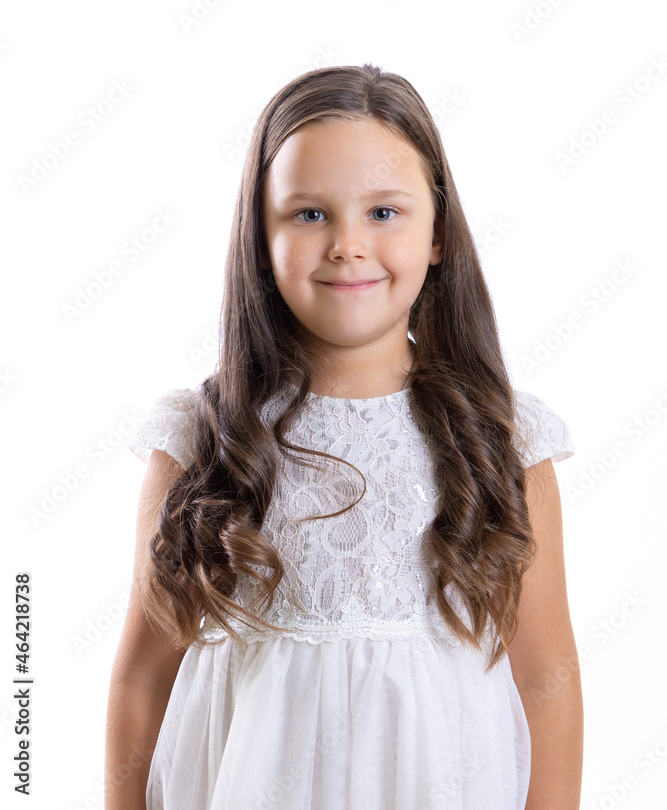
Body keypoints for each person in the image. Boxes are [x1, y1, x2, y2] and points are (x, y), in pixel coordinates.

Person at [105, 63, 584, 809]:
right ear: (259, 239)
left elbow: (545, 681)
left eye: (384, 213)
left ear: (437, 234)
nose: (347, 246)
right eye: (308, 214)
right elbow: (142, 677)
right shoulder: (202, 438)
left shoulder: (504, 440)